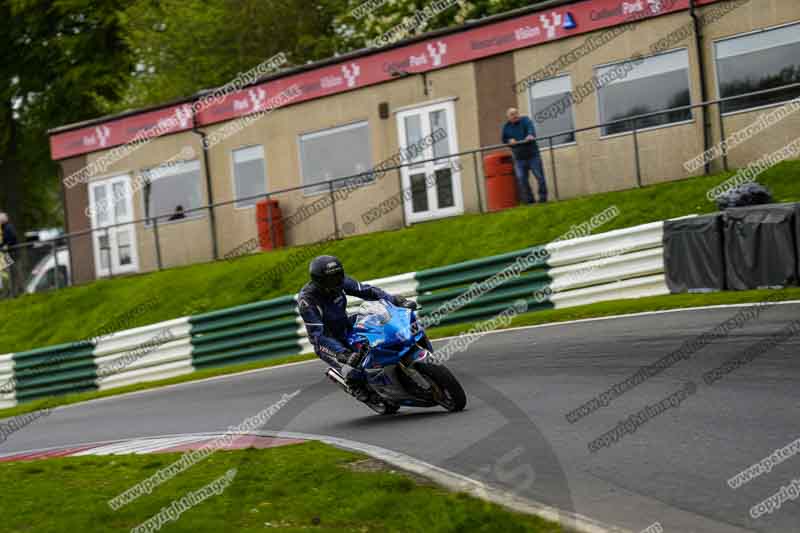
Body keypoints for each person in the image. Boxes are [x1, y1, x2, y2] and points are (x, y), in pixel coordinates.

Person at [298, 255, 417, 401]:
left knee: (379, 326)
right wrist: (342, 353)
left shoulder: (341, 282)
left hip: (346, 326)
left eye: (338, 276)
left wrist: (395, 300)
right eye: (330, 279)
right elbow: (318, 335)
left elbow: (368, 291)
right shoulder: (307, 300)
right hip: (327, 341)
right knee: (352, 366)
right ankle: (356, 387)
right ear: (319, 281)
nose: (336, 281)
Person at [501, 107, 548, 204]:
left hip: (533, 155)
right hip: (519, 158)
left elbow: (531, 129)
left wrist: (530, 135)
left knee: (540, 177)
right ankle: (530, 200)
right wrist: (509, 141)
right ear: (508, 117)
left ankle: (543, 198)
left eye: (516, 113)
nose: (515, 116)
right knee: (522, 179)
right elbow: (504, 139)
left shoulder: (525, 120)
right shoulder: (506, 127)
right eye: (512, 114)